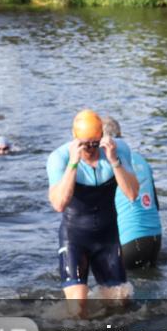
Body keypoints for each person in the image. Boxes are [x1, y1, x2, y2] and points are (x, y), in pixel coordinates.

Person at [47, 110, 138, 313]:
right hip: (74, 237)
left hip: (107, 237)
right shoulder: (59, 158)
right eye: (85, 144)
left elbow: (132, 194)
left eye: (95, 143)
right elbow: (58, 204)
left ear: (102, 137)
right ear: (75, 138)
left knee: (120, 307)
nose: (90, 149)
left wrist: (114, 161)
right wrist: (73, 163)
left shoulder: (118, 149)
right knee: (78, 309)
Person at [101, 117, 163, 269]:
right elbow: (156, 204)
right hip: (155, 240)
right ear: (120, 134)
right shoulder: (141, 160)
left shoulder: (106, 164)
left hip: (129, 243)